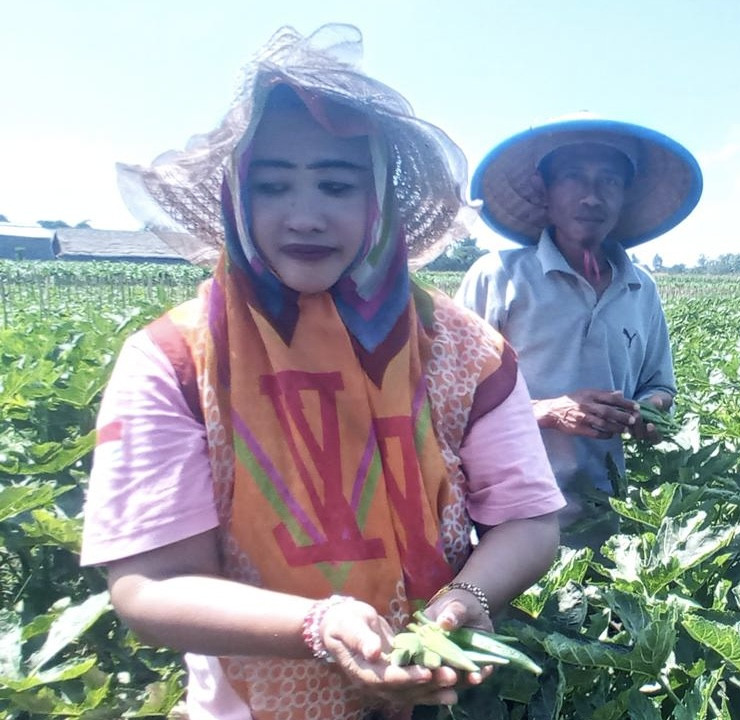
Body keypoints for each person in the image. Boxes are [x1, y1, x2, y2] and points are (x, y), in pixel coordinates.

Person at [79, 25, 565, 719]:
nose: (304, 217)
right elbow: (150, 586)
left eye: (338, 185)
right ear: (238, 200)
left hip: (439, 695)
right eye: (273, 187)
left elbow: (529, 521)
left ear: (379, 203)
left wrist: (466, 599)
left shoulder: (464, 350)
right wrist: (317, 625)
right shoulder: (176, 358)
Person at [455, 116, 702, 543]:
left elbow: (659, 384)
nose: (591, 196)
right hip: (506, 525)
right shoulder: (498, 276)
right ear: (544, 192)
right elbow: (449, 399)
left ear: (624, 197)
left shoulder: (641, 287)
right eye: (573, 178)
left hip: (608, 519)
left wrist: (648, 411)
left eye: (609, 181)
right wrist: (548, 411)